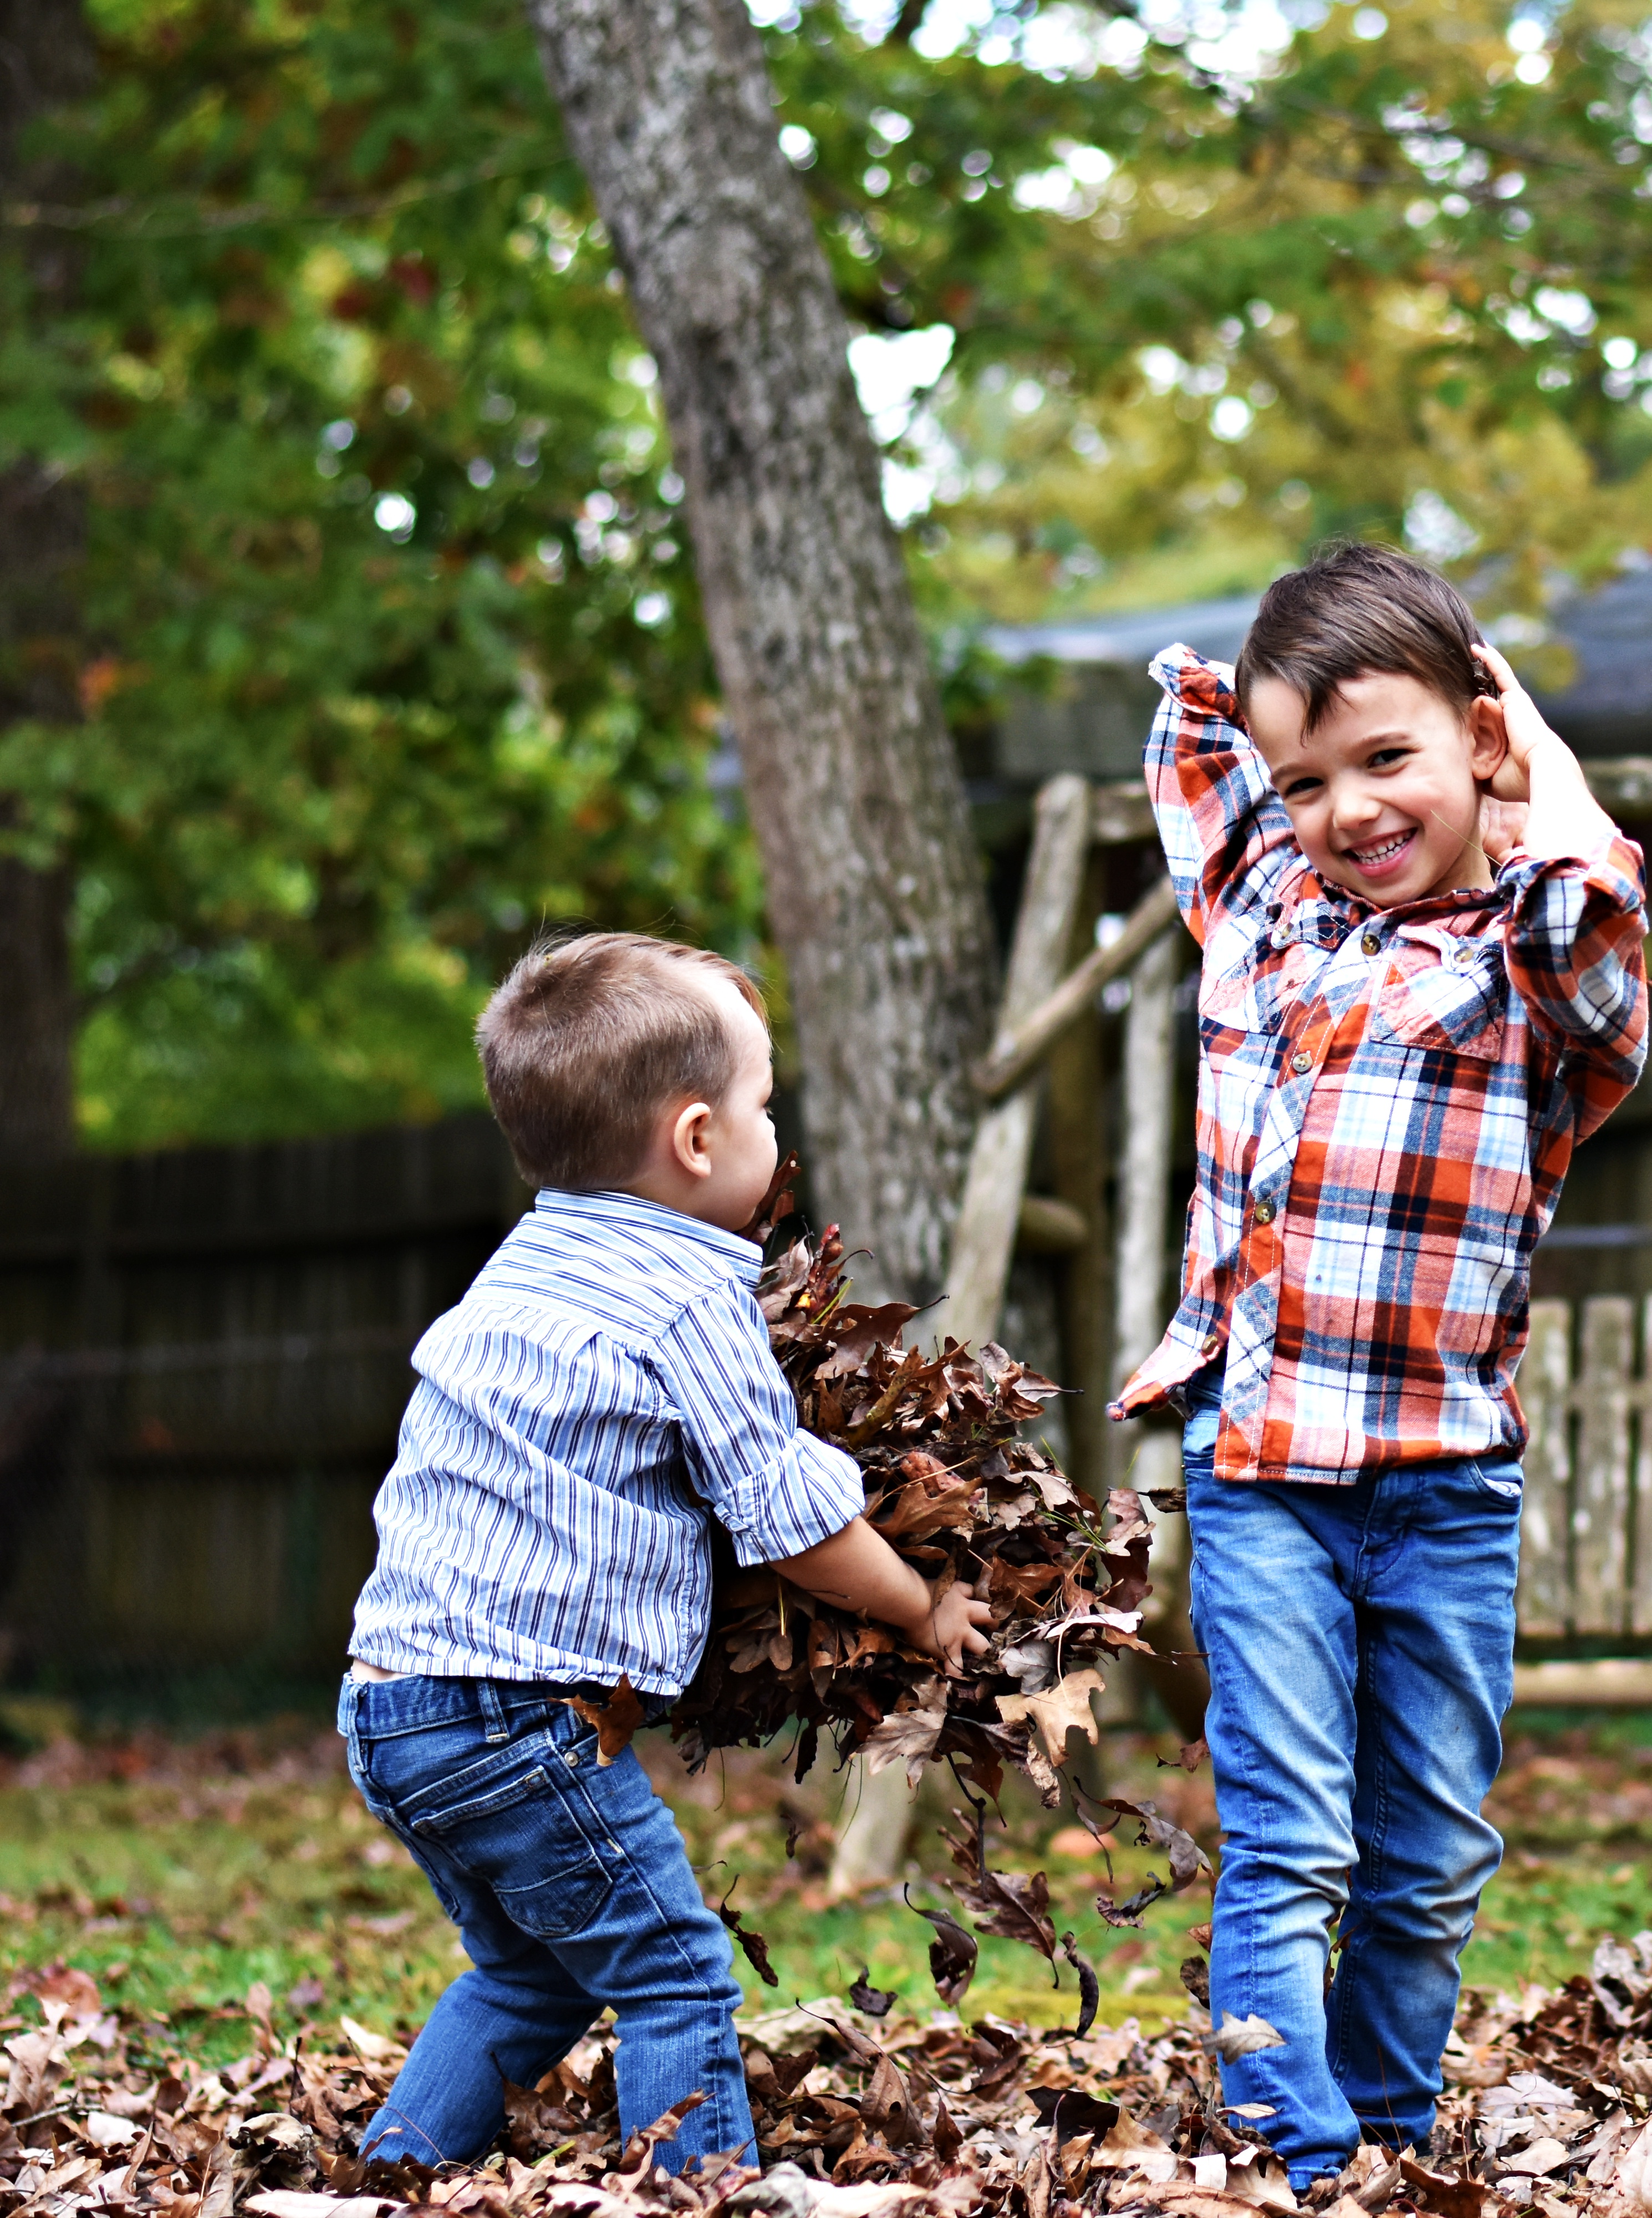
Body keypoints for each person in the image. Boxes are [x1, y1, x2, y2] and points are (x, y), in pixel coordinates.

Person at [1110, 543, 1647, 2189]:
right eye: (1310, 780)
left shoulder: (1540, 972)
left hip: (1442, 1488)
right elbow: (1199, 740)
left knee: (1422, 1854)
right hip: (1259, 1461)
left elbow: (1590, 893)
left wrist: (1512, 724)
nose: (1344, 807)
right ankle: (1299, 2154)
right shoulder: (1262, 902)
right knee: (1291, 1837)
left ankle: (1387, 2128)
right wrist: (1317, 711)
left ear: (1483, 746)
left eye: (1387, 759)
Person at [339, 931, 993, 2173]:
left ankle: (397, 2172)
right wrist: (920, 1608)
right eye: (761, 1102)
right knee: (677, 1970)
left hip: (390, 1708)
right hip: (510, 1721)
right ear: (696, 1139)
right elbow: (790, 1517)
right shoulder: (687, 1296)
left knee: (528, 1974)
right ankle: (698, 2193)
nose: (770, 1129)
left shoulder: (526, 1260)